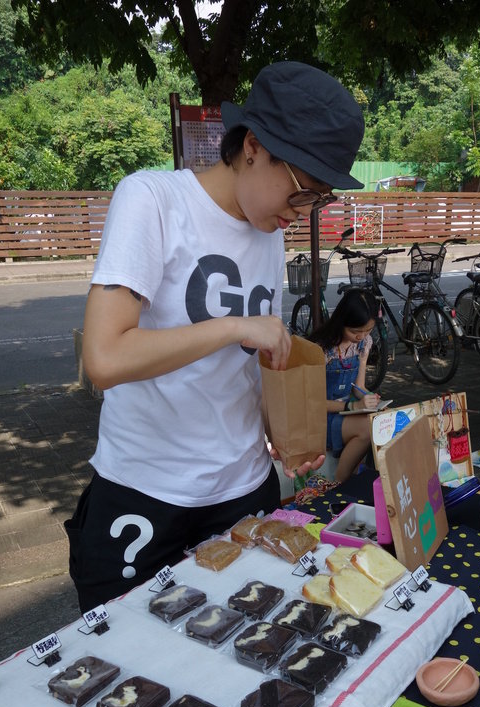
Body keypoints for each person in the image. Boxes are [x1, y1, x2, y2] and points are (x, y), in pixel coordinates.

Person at [65, 61, 365, 612]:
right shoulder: (152, 199)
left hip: (244, 489)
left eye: (319, 200)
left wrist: (285, 431)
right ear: (252, 146)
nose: (304, 213)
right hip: (147, 493)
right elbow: (104, 357)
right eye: (303, 191)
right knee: (130, 657)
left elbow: (254, 361)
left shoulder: (268, 229)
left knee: (252, 642)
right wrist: (232, 326)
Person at [311, 289, 381, 482]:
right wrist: (352, 406)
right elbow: (313, 402)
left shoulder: (363, 344)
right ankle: (341, 484)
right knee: (367, 428)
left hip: (345, 411)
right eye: (355, 331)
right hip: (318, 418)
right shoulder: (321, 350)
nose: (361, 336)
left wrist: (370, 398)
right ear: (341, 322)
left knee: (383, 420)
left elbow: (358, 387)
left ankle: (358, 479)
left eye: (368, 330)